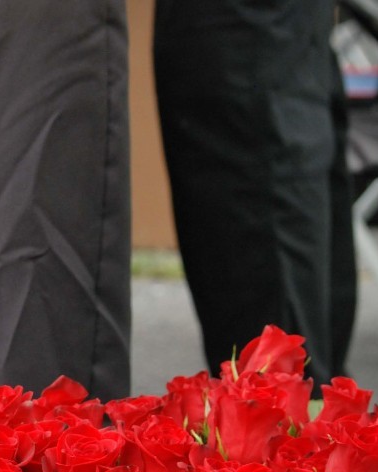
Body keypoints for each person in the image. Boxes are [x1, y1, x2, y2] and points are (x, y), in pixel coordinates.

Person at [153, 0, 357, 386]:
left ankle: (296, 428)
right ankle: (297, 424)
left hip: (266, 36)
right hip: (257, 36)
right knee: (280, 355)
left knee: (287, 359)